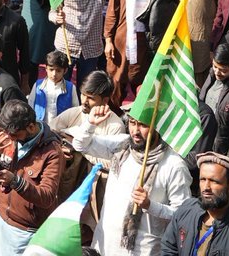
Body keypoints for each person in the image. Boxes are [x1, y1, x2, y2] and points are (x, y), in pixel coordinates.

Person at [73, 102, 192, 256]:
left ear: (158, 126)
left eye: (143, 125)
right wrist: (90, 123)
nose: (135, 131)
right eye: (132, 123)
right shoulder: (122, 146)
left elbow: (183, 214)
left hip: (143, 250)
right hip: (105, 243)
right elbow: (80, 145)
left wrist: (150, 205)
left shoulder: (174, 165)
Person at [0, 100, 62, 254]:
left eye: (14, 134)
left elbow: (47, 197)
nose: (10, 137)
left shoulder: (52, 152)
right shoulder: (9, 135)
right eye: (7, 132)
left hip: (24, 232)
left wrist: (15, 182)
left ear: (30, 127)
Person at [158, 153, 229, 256]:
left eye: (214, 181)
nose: (206, 187)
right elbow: (168, 248)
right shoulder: (186, 210)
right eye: (203, 179)